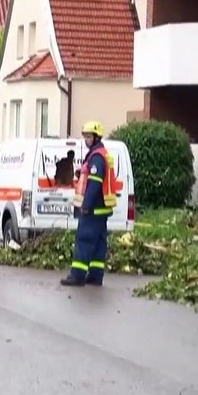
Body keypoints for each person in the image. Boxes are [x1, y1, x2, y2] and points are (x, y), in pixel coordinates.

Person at [62, 121, 119, 287]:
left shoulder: (96, 157)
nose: (86, 140)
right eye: (85, 136)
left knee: (84, 239)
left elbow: (94, 183)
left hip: (93, 208)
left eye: (88, 136)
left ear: (96, 137)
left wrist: (85, 204)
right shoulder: (101, 154)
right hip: (102, 208)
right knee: (99, 242)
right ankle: (95, 275)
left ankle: (77, 275)